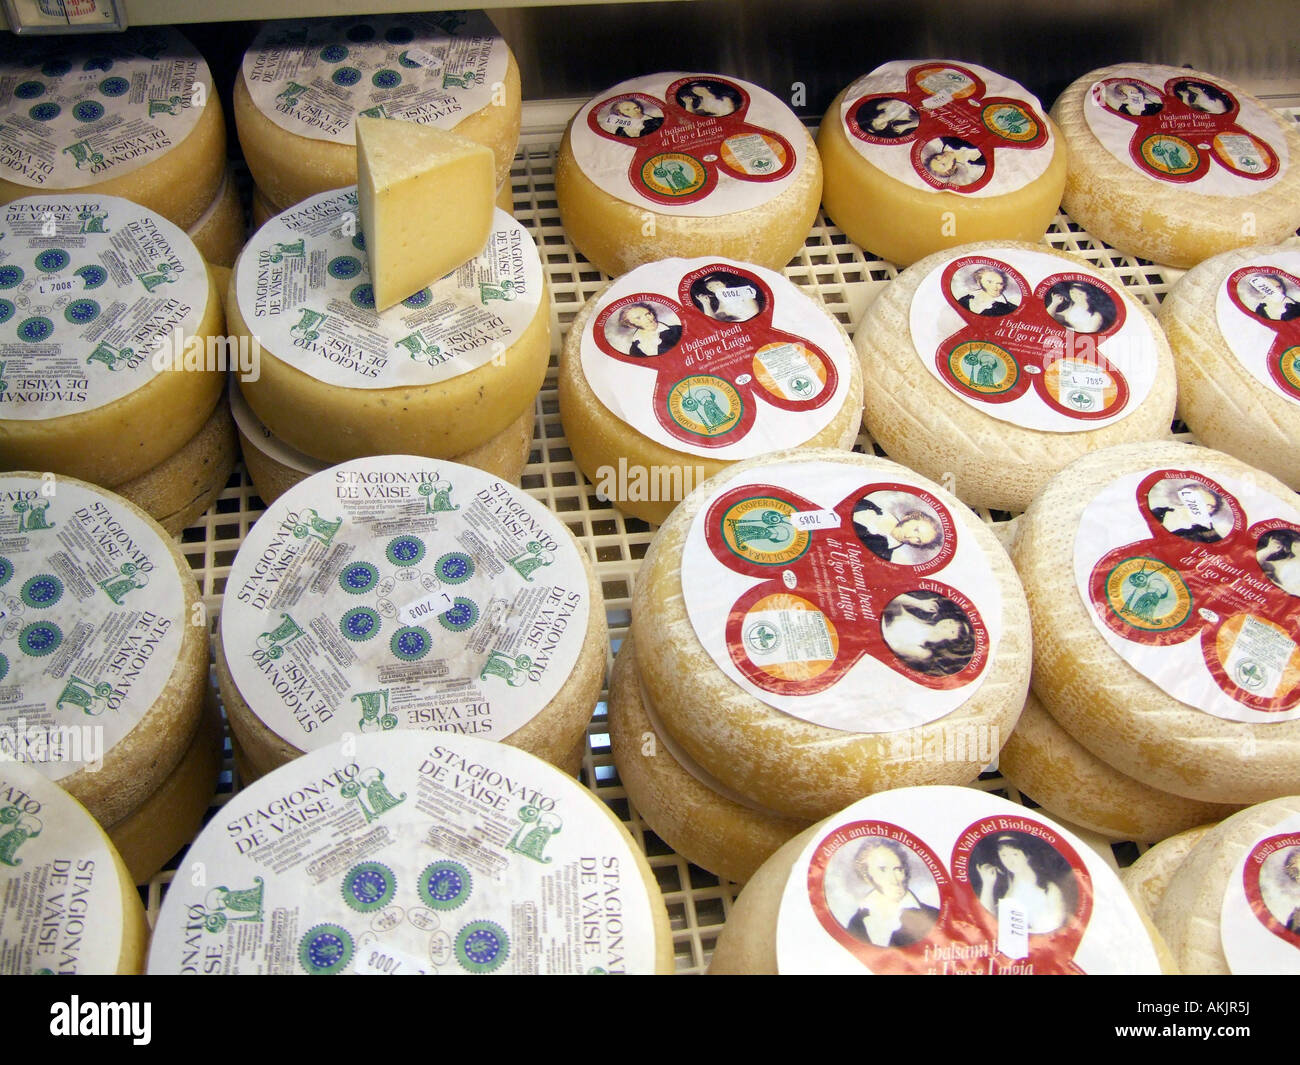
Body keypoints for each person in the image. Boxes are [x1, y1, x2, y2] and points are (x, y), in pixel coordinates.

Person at [844, 838, 939, 948]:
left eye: (898, 869)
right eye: (883, 870)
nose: (894, 879)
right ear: (867, 877)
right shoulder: (857, 923)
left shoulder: (933, 916)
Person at [974, 834, 1069, 935]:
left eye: (1015, 854)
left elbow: (1055, 926)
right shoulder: (1004, 888)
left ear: (1027, 855)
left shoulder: (1049, 888)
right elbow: (987, 922)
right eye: (1003, 855)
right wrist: (988, 884)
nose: (1009, 861)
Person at [880, 590, 977, 677]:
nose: (948, 624)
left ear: (950, 641)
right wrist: (919, 603)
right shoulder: (917, 620)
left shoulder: (924, 652)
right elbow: (892, 600)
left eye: (952, 631)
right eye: (951, 622)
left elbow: (887, 647)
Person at [853, 498, 943, 562]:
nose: (909, 536)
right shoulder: (871, 506)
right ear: (908, 517)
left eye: (918, 540)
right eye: (916, 530)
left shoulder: (881, 557)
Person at [1149, 479, 1231, 542]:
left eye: (1210, 506)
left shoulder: (1208, 534)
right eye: (1201, 500)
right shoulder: (1157, 512)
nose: (1204, 508)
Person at [1044, 281, 1115, 334]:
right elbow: (1048, 317)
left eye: (1080, 294)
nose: (1075, 296)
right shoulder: (1073, 305)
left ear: (1088, 295)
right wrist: (1054, 303)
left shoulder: (1096, 316)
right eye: (1072, 292)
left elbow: (1083, 336)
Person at [615, 302, 681, 357]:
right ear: (630, 324)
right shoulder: (635, 349)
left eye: (648, 314)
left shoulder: (678, 330)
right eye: (638, 318)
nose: (648, 319)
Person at [691, 271, 762, 322]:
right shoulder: (720, 308)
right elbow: (711, 323)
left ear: (724, 284)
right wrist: (706, 304)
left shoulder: (743, 293)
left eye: (717, 284)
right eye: (710, 287)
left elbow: (754, 311)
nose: (714, 288)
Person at [920, 137, 985, 187]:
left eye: (937, 158)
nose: (942, 158)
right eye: (943, 164)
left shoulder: (945, 138)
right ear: (952, 169)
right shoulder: (978, 160)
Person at [1257, 528, 1300, 596]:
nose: (1296, 544)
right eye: (1296, 540)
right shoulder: (1282, 564)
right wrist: (1269, 550)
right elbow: (1256, 563)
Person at [675, 79, 742, 117]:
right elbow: (692, 116)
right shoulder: (701, 103)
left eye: (700, 90)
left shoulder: (725, 99)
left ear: (707, 88)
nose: (698, 92)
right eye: (695, 91)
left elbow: (730, 112)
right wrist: (688, 103)